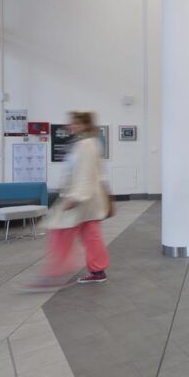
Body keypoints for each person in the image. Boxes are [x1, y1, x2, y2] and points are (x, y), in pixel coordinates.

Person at [28, 111, 111, 289]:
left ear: (85, 125)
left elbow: (85, 173)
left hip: (82, 199)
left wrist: (75, 197)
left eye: (75, 123)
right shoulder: (86, 143)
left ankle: (56, 273)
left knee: (59, 233)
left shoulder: (86, 144)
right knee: (91, 236)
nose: (70, 126)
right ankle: (97, 271)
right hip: (88, 200)